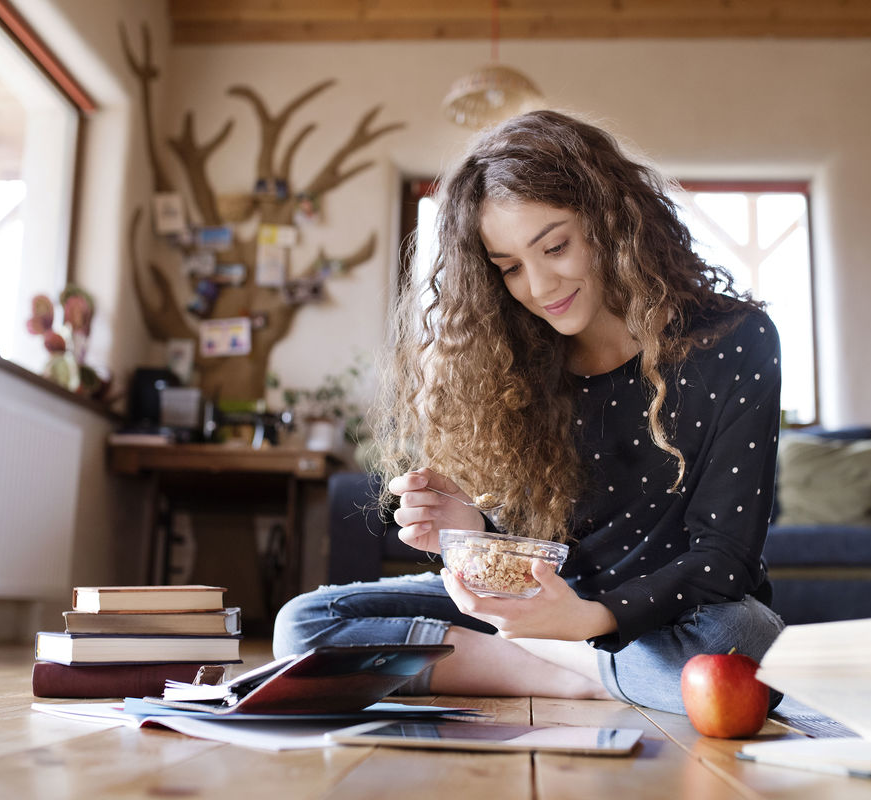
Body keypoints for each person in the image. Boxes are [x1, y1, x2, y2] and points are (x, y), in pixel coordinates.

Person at [273, 110, 785, 713]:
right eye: (510, 267)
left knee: (741, 644)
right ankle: (580, 673)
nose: (539, 286)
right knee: (305, 625)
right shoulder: (512, 360)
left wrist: (589, 620)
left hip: (675, 619)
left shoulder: (735, 339)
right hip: (549, 611)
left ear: (611, 220)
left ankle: (556, 660)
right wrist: (467, 535)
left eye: (556, 246)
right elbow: (535, 554)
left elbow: (725, 559)